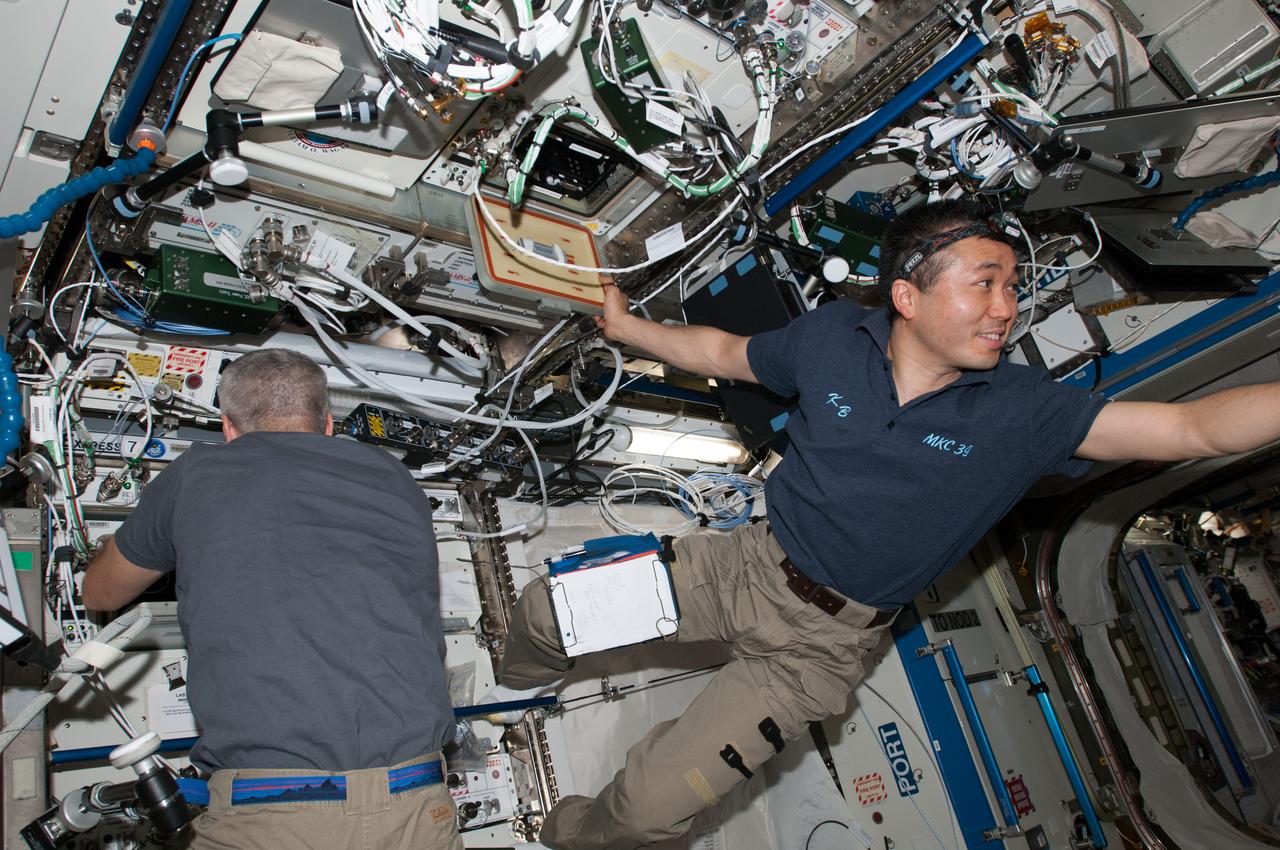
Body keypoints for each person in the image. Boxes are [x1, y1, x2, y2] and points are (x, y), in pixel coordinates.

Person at [495, 199, 1280, 850]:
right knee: (541, 613)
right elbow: (729, 353)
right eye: (986, 284)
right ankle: (517, 686)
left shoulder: (1025, 414)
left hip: (817, 652)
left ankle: (564, 836)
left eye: (1012, 287)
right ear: (909, 296)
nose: (1007, 307)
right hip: (742, 567)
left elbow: (1192, 429)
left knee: (643, 814)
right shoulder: (833, 337)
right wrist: (630, 330)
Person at [81, 349, 463, 850]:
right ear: (327, 425)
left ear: (229, 428)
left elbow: (100, 592)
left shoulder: (195, 474)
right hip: (420, 805)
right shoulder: (396, 478)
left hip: (271, 812)